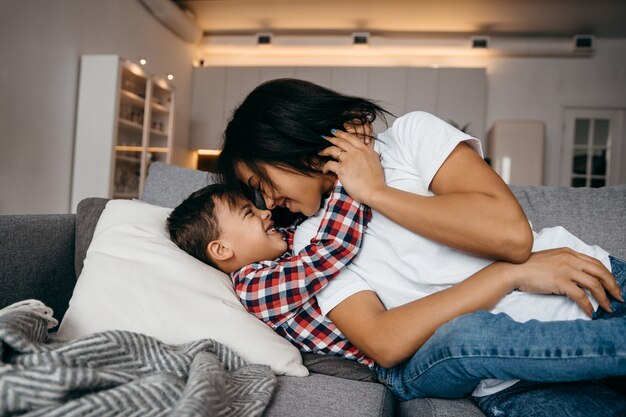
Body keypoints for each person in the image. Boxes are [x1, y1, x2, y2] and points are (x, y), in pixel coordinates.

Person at [211, 78, 626, 416]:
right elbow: (384, 342)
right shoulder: (312, 241)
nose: (266, 203)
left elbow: (511, 236)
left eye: (259, 184)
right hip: (511, 379)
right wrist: (507, 274)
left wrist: (376, 190)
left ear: (286, 140)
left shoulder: (410, 137)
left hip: (593, 284)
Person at [167, 174, 626, 414]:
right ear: (222, 249)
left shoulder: (277, 262)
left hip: (418, 350)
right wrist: (355, 185)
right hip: (403, 369)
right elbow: (333, 248)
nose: (267, 212)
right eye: (249, 213)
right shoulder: (258, 284)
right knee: (471, 336)